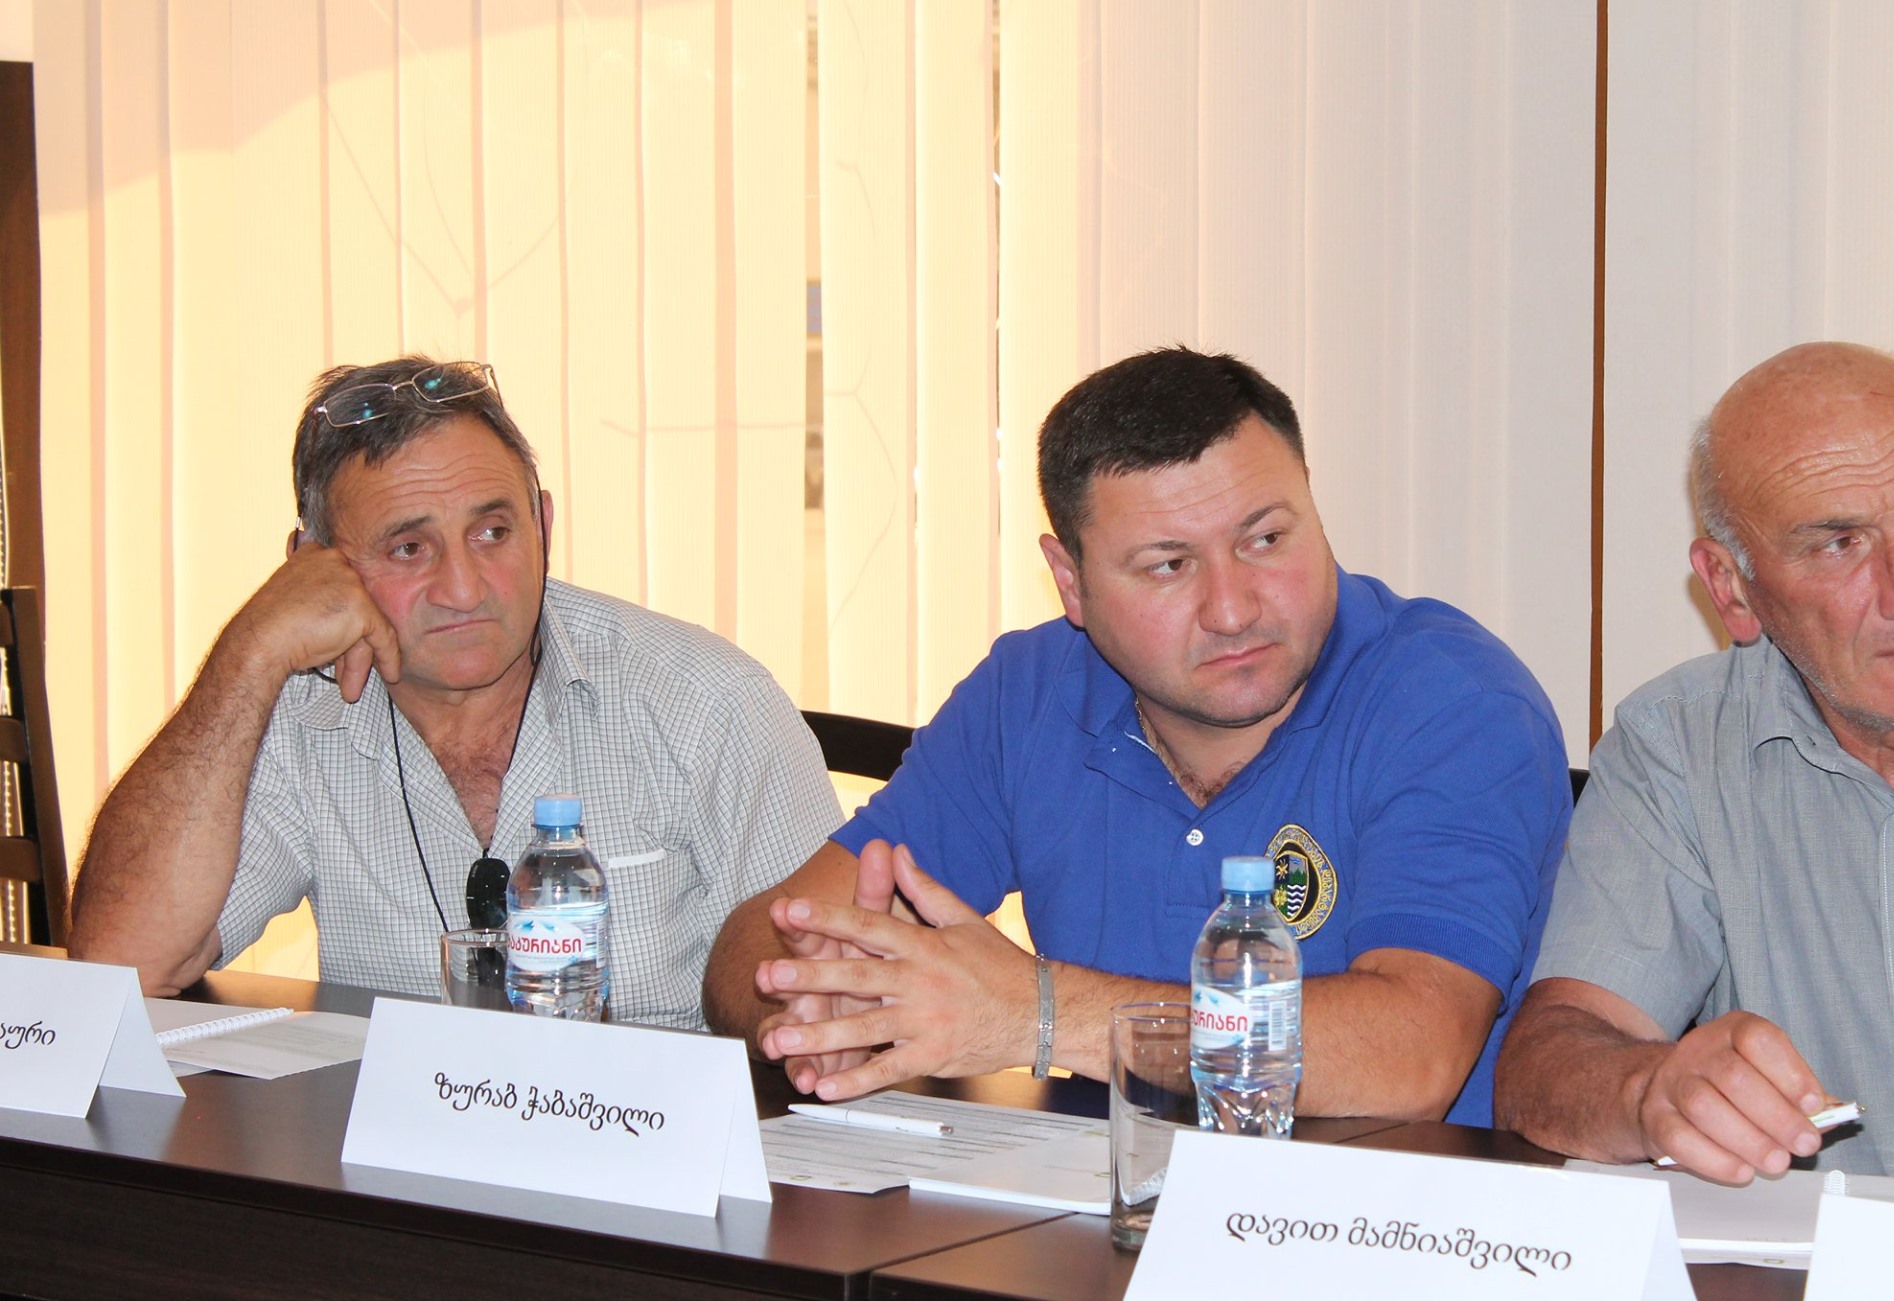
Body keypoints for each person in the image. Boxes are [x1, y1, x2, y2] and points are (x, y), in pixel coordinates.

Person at [703, 347, 1571, 1124]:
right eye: (1169, 565)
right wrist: (817, 1007)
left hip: (1385, 1222)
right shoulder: (1029, 693)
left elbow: (1412, 1056)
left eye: (1267, 537)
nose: (1233, 607)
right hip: (1103, 1205)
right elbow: (753, 953)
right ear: (1070, 582)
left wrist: (1038, 1013)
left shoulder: (1450, 701)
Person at [70, 357, 841, 1028]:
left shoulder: (708, 703)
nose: (464, 588)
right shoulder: (300, 712)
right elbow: (121, 963)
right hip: (394, 1146)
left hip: (650, 1135)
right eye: (410, 548)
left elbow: (827, 999)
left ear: (543, 525)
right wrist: (247, 654)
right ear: (313, 568)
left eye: (493, 533)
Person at [1496, 340, 1894, 1181]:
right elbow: (1546, 1065)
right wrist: (1650, 1091)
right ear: (1731, 588)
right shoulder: (1678, 747)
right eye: (1840, 544)